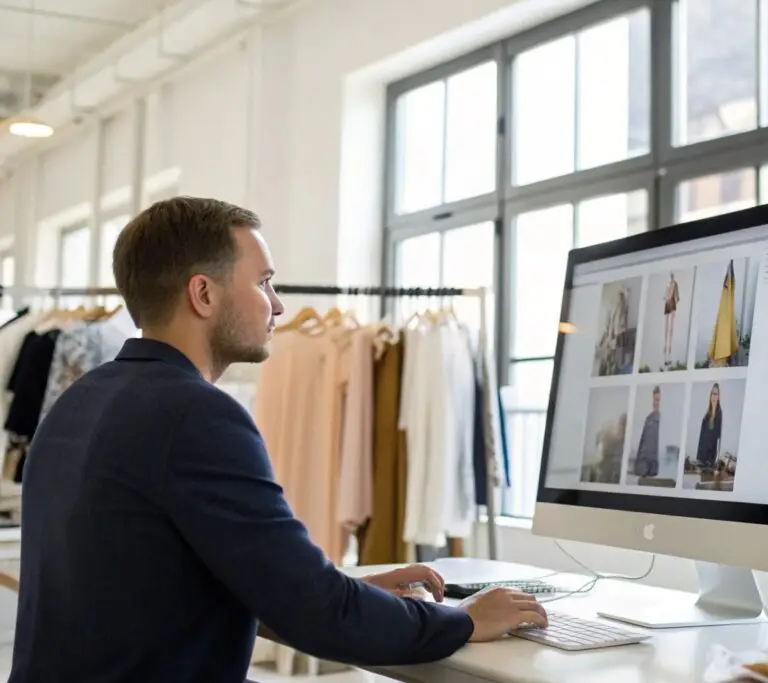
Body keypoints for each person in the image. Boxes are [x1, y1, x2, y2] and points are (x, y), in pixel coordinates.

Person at [8, 197, 547, 683]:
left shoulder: (79, 400)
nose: (279, 305)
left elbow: (183, 579)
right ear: (203, 293)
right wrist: (463, 620)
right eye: (264, 283)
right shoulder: (196, 415)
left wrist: (348, 591)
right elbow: (317, 616)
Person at [634, 386, 660, 478]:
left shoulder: (665, 422)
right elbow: (642, 442)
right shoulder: (649, 419)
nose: (656, 403)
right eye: (655, 400)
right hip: (645, 465)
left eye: (658, 400)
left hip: (655, 467)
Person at [696, 383, 723, 468]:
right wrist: (699, 456)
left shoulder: (719, 413)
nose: (714, 396)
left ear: (718, 397)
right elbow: (702, 437)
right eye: (712, 393)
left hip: (710, 459)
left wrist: (714, 460)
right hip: (701, 457)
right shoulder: (707, 414)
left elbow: (716, 437)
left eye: (716, 394)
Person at [663, 274, 679, 362]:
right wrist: (666, 298)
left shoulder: (674, 284)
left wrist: (673, 298)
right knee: (666, 327)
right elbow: (666, 294)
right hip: (668, 303)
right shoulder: (668, 283)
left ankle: (669, 350)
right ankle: (666, 349)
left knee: (670, 327)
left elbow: (677, 296)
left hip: (671, 304)